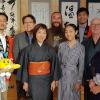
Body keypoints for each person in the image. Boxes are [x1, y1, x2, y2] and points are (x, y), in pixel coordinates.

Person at [19, 23, 61, 100]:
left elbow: (55, 66)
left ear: (46, 35)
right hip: (32, 80)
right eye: (39, 32)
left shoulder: (50, 49)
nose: (41, 35)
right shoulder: (27, 50)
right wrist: (25, 82)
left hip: (46, 80)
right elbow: (24, 66)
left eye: (44, 33)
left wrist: (54, 80)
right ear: (35, 33)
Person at [58, 23, 85, 100]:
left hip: (74, 76)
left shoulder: (81, 47)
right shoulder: (61, 45)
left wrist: (79, 81)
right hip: (62, 75)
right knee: (62, 95)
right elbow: (58, 62)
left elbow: (81, 66)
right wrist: (56, 78)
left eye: (71, 31)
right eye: (66, 32)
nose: (68, 34)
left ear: (76, 32)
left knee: (73, 96)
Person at [13, 14, 36, 100]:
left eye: (30, 22)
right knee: (22, 96)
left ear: (34, 24)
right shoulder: (18, 37)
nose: (28, 24)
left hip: (35, 72)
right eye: (25, 22)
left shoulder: (38, 36)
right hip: (22, 72)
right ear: (23, 24)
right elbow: (16, 55)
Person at [82, 18, 100, 100]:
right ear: (90, 27)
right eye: (93, 24)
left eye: (98, 24)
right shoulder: (84, 43)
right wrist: (88, 80)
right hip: (89, 82)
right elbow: (81, 64)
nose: (95, 26)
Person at [0, 12, 13, 100]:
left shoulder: (9, 39)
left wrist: (10, 66)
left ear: (6, 23)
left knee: (4, 97)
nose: (2, 23)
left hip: (5, 73)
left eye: (4, 21)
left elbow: (10, 54)